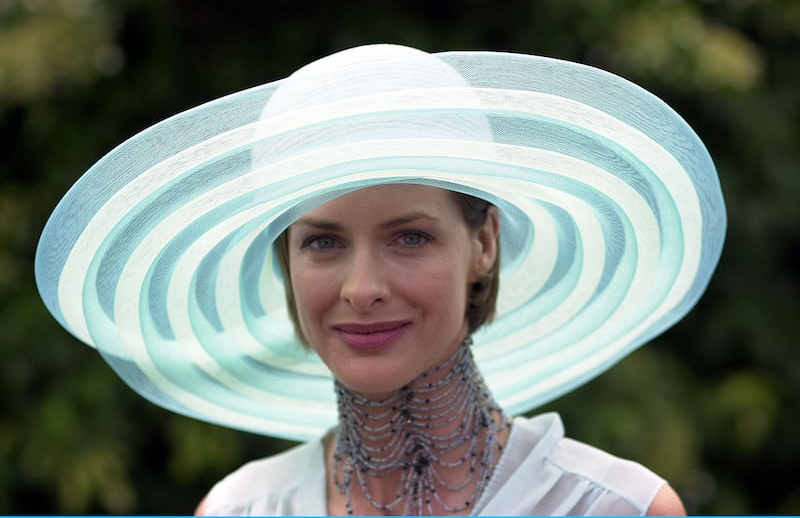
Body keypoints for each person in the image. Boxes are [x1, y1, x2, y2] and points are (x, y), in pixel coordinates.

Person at [34, 44, 726, 515]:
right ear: (285, 258)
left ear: (483, 241)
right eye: (324, 241)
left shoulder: (608, 505)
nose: (361, 287)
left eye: (409, 236)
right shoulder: (242, 507)